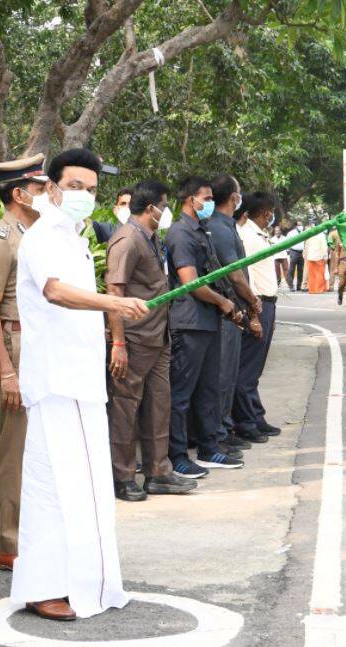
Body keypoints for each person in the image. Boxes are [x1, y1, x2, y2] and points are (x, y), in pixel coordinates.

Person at [9, 148, 149, 621]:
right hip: (56, 381)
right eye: (74, 187)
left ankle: (79, 581)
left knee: (78, 487)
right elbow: (54, 291)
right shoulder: (45, 233)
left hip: (79, 379)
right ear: (49, 189)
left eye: (90, 190)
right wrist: (114, 306)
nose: (84, 197)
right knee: (55, 487)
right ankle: (46, 586)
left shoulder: (72, 235)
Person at [105, 180, 197, 501]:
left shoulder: (151, 238)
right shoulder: (127, 240)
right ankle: (122, 476)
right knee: (125, 409)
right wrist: (118, 343)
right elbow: (114, 292)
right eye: (164, 206)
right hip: (133, 338)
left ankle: (158, 472)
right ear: (150, 209)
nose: (166, 212)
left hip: (158, 336)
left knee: (159, 405)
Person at [0, 153, 48, 573]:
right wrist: (6, 371)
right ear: (19, 193)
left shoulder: (36, 234)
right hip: (16, 345)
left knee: (37, 449)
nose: (46, 195)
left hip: (38, 342)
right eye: (39, 189)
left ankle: (32, 534)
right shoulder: (1, 240)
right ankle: (9, 543)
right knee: (15, 451)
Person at [165, 176, 241, 479]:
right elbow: (191, 282)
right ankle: (178, 455)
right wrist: (224, 303)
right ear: (189, 198)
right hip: (189, 322)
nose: (209, 203)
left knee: (208, 389)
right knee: (181, 394)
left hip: (207, 321)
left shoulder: (202, 230)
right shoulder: (181, 233)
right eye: (205, 197)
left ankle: (209, 447)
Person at [203, 174, 265, 464]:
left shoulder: (223, 226)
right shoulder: (221, 228)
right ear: (233, 198)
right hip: (227, 312)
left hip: (232, 312)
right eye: (239, 193)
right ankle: (217, 434)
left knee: (226, 375)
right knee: (222, 377)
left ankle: (223, 429)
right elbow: (235, 275)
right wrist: (252, 303)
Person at [232, 192, 284, 441]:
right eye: (270, 211)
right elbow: (245, 278)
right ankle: (246, 422)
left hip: (267, 304)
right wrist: (253, 314)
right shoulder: (248, 237)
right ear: (265, 212)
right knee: (247, 369)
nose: (271, 216)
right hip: (258, 305)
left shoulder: (258, 235)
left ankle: (255, 415)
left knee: (255, 367)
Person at [304, 226, 330, 293]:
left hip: (310, 256)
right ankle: (319, 289)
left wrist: (305, 255)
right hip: (319, 256)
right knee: (319, 274)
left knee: (311, 274)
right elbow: (324, 246)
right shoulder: (321, 235)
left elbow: (306, 245)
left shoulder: (309, 235)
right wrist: (325, 256)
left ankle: (312, 289)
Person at [331, 228, 346, 305]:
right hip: (343, 262)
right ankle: (340, 294)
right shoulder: (340, 241)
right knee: (342, 284)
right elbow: (337, 254)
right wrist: (336, 267)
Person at [286, 221, 305, 291]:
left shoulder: (304, 232)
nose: (300, 226)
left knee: (301, 270)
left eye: (301, 225)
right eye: (299, 225)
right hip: (293, 252)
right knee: (291, 270)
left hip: (302, 252)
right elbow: (287, 242)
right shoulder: (291, 233)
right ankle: (291, 286)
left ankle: (299, 286)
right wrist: (288, 250)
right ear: (296, 226)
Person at [273, 222, 290, 290]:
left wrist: (287, 251)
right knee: (277, 273)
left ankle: (290, 286)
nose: (277, 232)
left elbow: (288, 247)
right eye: (276, 231)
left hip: (283, 256)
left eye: (278, 231)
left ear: (281, 231)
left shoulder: (284, 238)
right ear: (274, 232)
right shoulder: (272, 239)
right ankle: (277, 286)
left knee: (286, 271)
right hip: (276, 257)